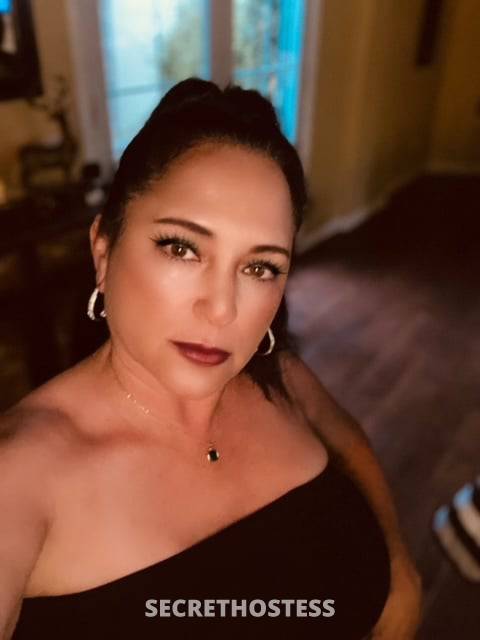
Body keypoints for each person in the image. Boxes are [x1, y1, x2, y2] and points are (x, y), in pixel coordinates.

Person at [0, 78, 422, 639]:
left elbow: (345, 438)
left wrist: (398, 563)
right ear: (103, 250)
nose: (222, 310)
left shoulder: (281, 378)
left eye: (260, 267)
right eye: (182, 247)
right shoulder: (18, 477)